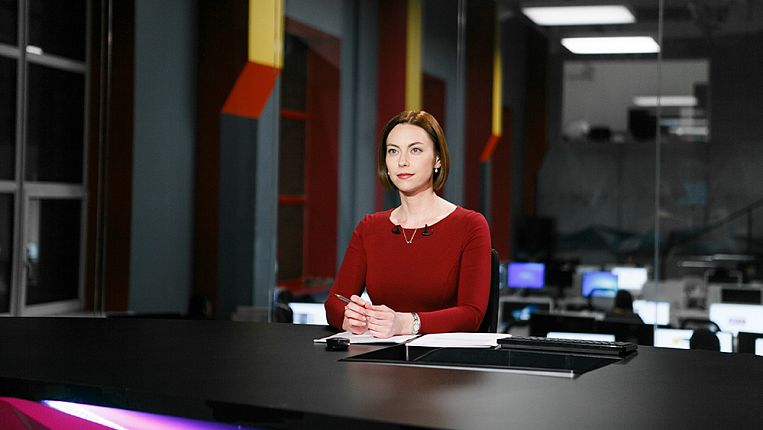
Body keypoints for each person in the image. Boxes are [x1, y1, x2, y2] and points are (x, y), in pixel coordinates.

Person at [324, 110, 491, 338]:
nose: (402, 161)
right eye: (393, 151)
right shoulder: (370, 228)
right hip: (379, 353)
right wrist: (350, 318)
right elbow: (334, 303)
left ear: (437, 159)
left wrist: (407, 323)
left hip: (443, 357)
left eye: (415, 150)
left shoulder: (470, 225)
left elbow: (472, 315)